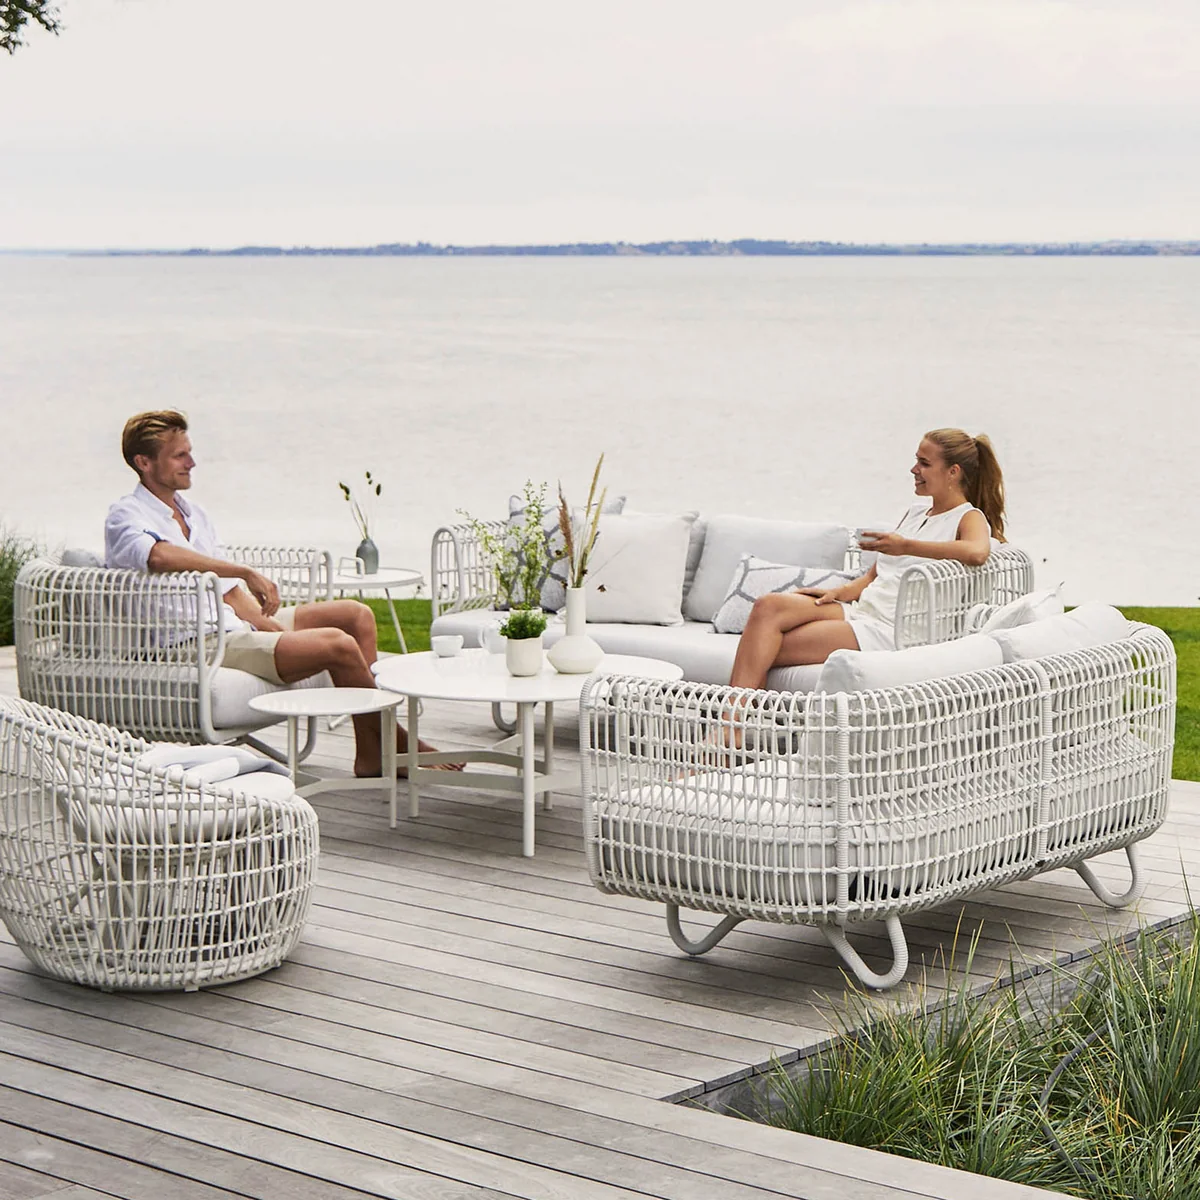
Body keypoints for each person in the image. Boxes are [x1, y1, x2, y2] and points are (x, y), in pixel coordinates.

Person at [104, 410, 452, 778]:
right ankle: (399, 741)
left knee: (355, 615)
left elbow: (229, 593)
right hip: (191, 642)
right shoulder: (125, 516)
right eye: (179, 456)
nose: (192, 463)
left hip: (232, 626)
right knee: (337, 644)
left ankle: (369, 750)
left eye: (189, 452)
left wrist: (265, 624)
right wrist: (244, 571)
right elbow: (157, 556)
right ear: (144, 462)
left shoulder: (194, 514)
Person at [728, 428, 1007, 691]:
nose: (914, 470)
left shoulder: (968, 517)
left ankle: (735, 718)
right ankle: (743, 717)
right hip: (865, 610)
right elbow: (876, 575)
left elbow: (977, 552)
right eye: (916, 461)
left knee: (764, 645)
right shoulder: (915, 513)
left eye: (924, 463)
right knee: (768, 606)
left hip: (893, 629)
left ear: (953, 472)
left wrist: (905, 546)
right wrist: (837, 592)